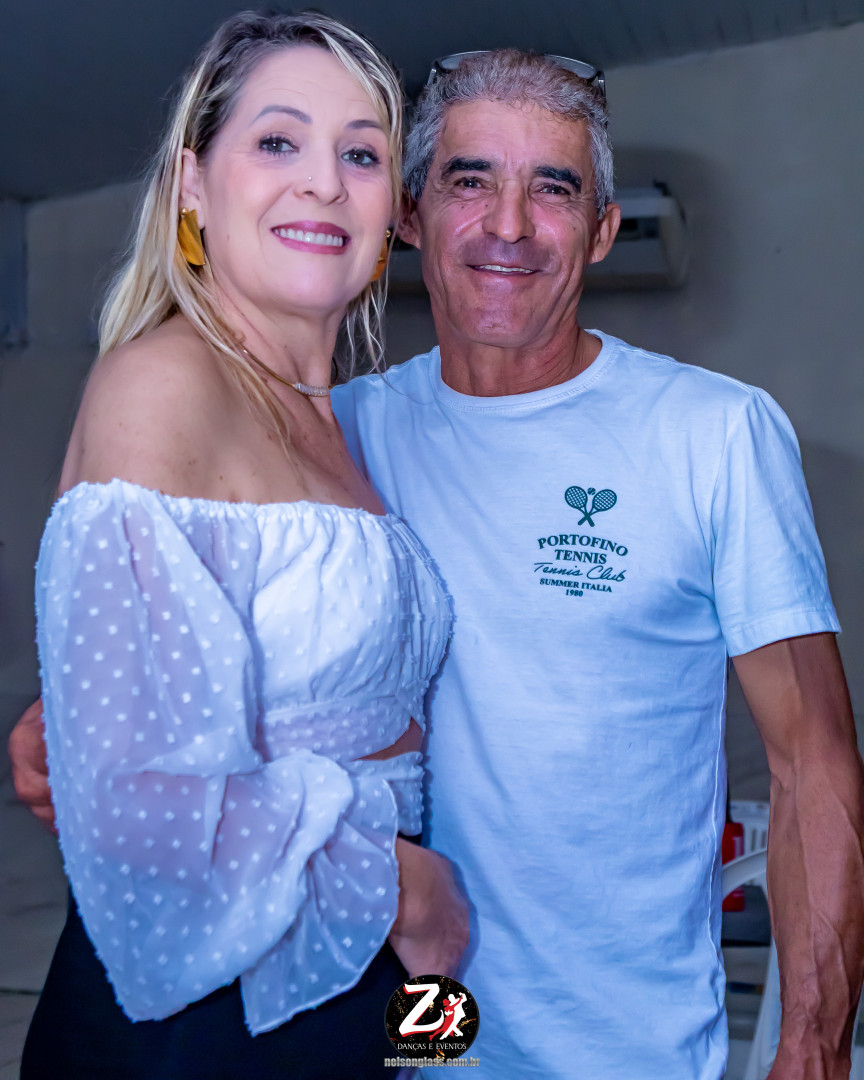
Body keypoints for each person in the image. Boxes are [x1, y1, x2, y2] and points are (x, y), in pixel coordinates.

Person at [11, 46, 864, 1080]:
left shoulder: (714, 434)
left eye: (554, 189)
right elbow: (167, 701)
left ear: (602, 229)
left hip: (616, 1052)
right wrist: (75, 730)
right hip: (398, 1027)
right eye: (470, 180)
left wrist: (813, 1046)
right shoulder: (341, 434)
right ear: (411, 214)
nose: (509, 226)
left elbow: (813, 758)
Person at [13, 12, 467, 1080]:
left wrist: (435, 994)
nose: (323, 182)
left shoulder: (342, 424)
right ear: (192, 186)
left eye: (361, 154)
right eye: (277, 141)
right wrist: (412, 890)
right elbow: (137, 806)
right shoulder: (161, 381)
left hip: (365, 982)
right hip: (209, 1019)